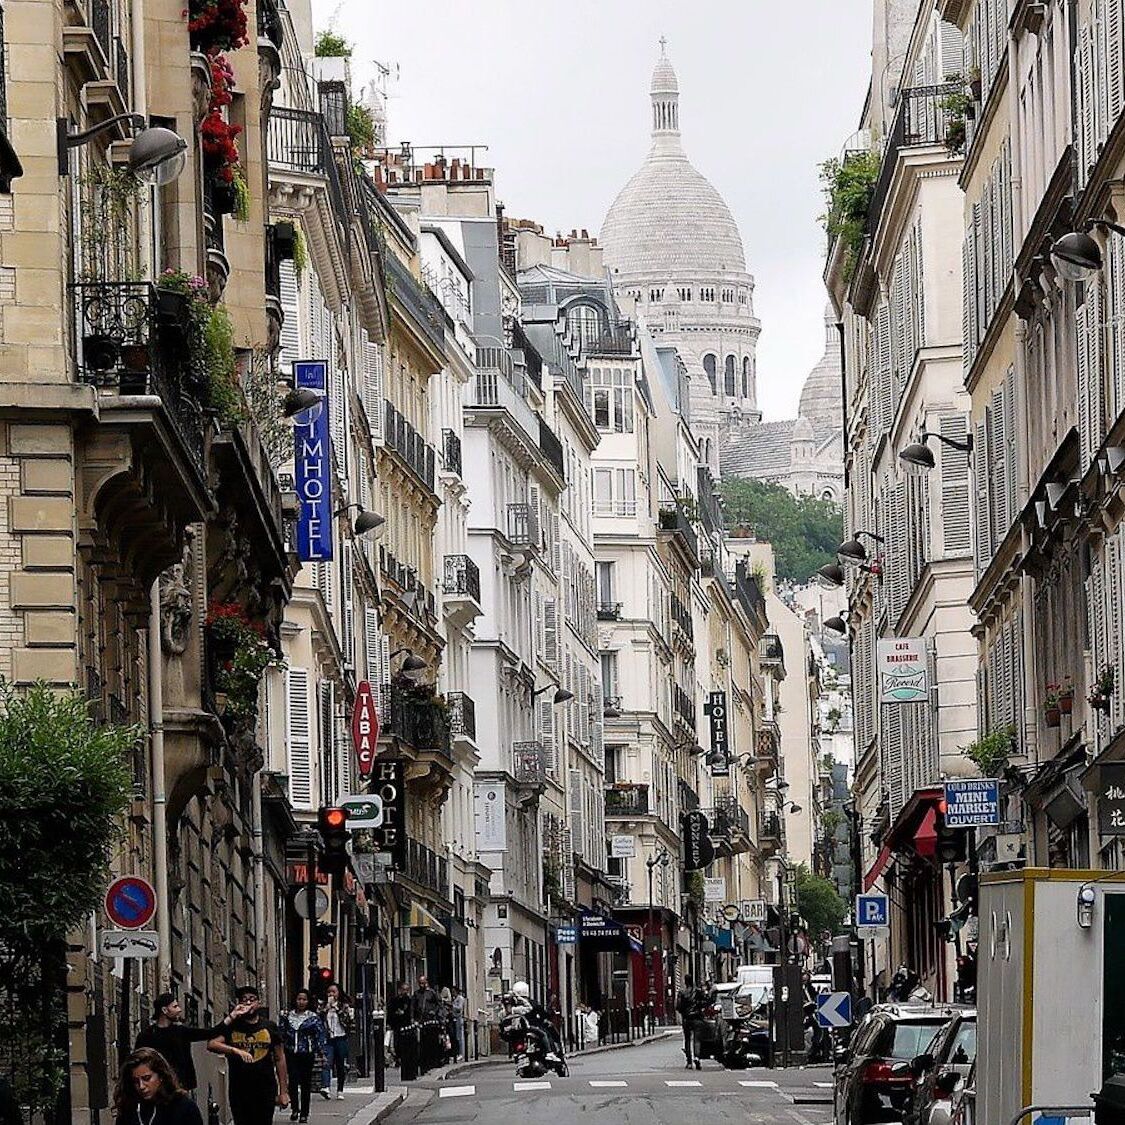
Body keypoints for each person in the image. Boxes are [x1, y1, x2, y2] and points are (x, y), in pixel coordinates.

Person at [135, 993, 252, 1093]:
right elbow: (137, 1062)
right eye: (175, 1007)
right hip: (157, 1090)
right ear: (165, 1010)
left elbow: (211, 1032)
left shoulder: (181, 1031)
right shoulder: (147, 1036)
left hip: (180, 1088)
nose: (179, 1010)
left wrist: (232, 1016)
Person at [207, 985, 288, 1125]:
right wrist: (234, 1050)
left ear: (259, 1003)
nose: (248, 1003)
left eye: (252, 999)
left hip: (265, 1088)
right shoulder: (233, 1026)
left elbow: (280, 1058)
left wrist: (283, 1091)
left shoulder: (269, 1027)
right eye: (244, 1000)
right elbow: (212, 1044)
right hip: (239, 1089)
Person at [113, 1047, 203, 1125]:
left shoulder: (184, 1108)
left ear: (161, 1076)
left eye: (146, 1078)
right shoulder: (128, 1112)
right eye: (136, 1081)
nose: (141, 1086)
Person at [281, 989, 325, 1123]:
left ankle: (304, 1113)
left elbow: (320, 1035)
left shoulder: (313, 1017)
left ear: (308, 1001)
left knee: (306, 1083)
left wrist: (321, 1052)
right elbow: (281, 1033)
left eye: (304, 999)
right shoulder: (287, 1016)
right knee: (293, 1081)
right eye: (299, 999)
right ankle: (295, 1108)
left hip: (307, 1052)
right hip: (291, 1052)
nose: (301, 1002)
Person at [506, 981, 563, 1064]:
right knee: (544, 1034)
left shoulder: (512, 1007)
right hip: (531, 1026)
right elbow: (538, 1011)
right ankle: (549, 1052)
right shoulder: (529, 1004)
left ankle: (515, 1053)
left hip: (517, 1028)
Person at [317, 984, 353, 1099]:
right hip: (328, 1039)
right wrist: (325, 1009)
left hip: (340, 1037)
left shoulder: (344, 1006)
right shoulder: (323, 1006)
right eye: (329, 992)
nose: (331, 994)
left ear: (338, 993)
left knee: (340, 1064)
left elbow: (348, 1020)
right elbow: (317, 1019)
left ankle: (340, 1090)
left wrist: (337, 1009)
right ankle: (326, 1087)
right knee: (327, 1062)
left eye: (333, 992)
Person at [412, 975, 443, 1074]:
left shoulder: (432, 993)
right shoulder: (416, 994)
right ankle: (422, 1065)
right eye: (420, 983)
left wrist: (434, 1011)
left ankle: (432, 1063)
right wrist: (413, 1018)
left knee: (431, 1043)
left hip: (430, 1022)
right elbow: (413, 1007)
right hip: (420, 1022)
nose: (421, 985)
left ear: (426, 982)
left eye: (423, 983)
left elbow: (439, 1005)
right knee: (421, 1044)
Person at [388, 982, 418, 1081]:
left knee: (410, 1052)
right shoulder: (394, 1001)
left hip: (408, 1029)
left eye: (406, 990)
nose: (404, 992)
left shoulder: (410, 1001)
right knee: (398, 1048)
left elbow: (413, 1013)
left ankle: (411, 1073)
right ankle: (400, 1063)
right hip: (398, 1028)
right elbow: (391, 1013)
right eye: (403, 990)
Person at [675, 975, 706, 1069]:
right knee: (697, 1039)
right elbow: (705, 1001)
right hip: (697, 1017)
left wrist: (683, 1012)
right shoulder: (698, 991)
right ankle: (697, 1057)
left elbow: (678, 1006)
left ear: (685, 982)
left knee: (687, 1039)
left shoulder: (682, 992)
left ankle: (689, 1061)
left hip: (687, 1018)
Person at [450, 986, 466, 1061]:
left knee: (460, 1037)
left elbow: (459, 1008)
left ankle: (461, 1054)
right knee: (456, 1037)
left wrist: (452, 1006)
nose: (452, 993)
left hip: (459, 1018)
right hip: (454, 1018)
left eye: (453, 991)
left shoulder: (460, 998)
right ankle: (457, 1053)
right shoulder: (454, 999)